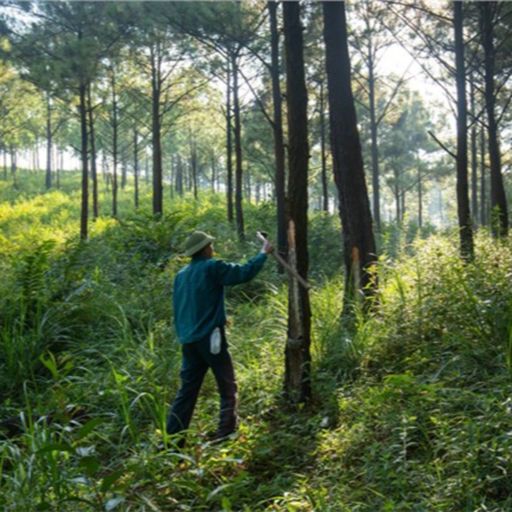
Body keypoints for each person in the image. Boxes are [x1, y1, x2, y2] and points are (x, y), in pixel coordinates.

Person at [166, 230, 272, 445]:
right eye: (210, 245)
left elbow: (181, 308)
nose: (212, 248)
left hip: (188, 340)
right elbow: (243, 273)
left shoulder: (181, 276)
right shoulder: (212, 267)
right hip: (210, 338)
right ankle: (225, 432)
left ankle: (171, 441)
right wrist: (263, 253)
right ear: (205, 249)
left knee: (187, 391)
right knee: (227, 384)